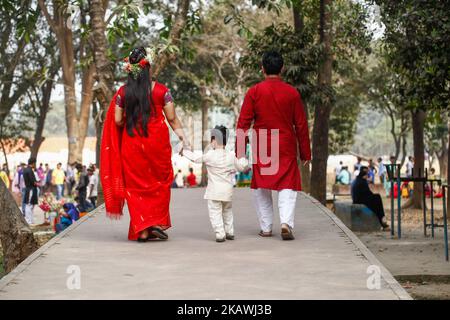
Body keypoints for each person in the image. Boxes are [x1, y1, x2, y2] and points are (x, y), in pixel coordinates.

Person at [100, 47, 189, 242]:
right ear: (147, 67)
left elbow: (116, 120)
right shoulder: (162, 91)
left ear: (130, 69)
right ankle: (153, 223)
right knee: (159, 183)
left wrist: (129, 122)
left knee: (135, 187)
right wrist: (184, 138)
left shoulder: (123, 93)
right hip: (157, 144)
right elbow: (172, 118)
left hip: (132, 145)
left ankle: (143, 228)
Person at [236, 51, 311, 240]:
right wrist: (305, 153)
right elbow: (301, 124)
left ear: (262, 69)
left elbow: (243, 123)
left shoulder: (254, 91)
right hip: (285, 142)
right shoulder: (292, 93)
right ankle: (285, 223)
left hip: (262, 141)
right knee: (287, 184)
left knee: (262, 185)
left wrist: (240, 151)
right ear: (282, 69)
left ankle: (267, 227)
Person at [183, 126, 249, 242]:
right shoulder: (231, 156)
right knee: (227, 211)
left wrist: (184, 152)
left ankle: (220, 233)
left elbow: (196, 158)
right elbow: (242, 167)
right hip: (227, 192)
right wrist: (244, 158)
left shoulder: (210, 155)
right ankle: (230, 231)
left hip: (214, 192)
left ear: (214, 140)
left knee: (215, 212)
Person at [351, 166, 390, 231]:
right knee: (377, 200)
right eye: (366, 175)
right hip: (359, 200)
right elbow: (367, 192)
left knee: (377, 198)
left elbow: (366, 192)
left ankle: (382, 219)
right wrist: (373, 196)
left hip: (359, 198)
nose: (367, 176)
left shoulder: (359, 180)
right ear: (364, 175)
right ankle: (382, 219)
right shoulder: (362, 181)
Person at [23, 158, 39, 225]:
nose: (35, 164)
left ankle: (31, 220)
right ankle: (29, 221)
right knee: (29, 205)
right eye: (34, 163)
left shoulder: (26, 170)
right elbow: (33, 181)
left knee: (31, 205)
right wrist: (37, 184)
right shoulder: (29, 170)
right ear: (33, 163)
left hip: (29, 188)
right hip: (30, 189)